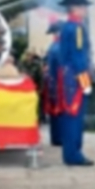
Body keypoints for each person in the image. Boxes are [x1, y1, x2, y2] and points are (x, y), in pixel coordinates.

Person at [56, 0, 94, 167]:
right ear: (75, 8)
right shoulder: (77, 28)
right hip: (76, 75)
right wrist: (86, 82)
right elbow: (79, 57)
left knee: (69, 114)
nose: (85, 9)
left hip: (66, 74)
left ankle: (70, 153)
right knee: (75, 115)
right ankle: (74, 154)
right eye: (83, 6)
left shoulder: (66, 27)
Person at [43, 17, 63, 147]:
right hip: (60, 83)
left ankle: (56, 138)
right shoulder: (59, 47)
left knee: (55, 113)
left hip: (52, 82)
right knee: (61, 112)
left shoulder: (53, 46)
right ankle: (60, 138)